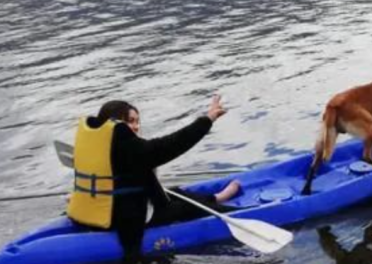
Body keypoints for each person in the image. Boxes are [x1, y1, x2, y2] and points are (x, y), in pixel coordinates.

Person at [67, 94, 241, 255]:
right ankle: (239, 213)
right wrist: (207, 120)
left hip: (102, 212)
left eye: (137, 121)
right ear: (115, 123)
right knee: (185, 207)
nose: (135, 126)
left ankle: (216, 197)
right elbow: (171, 145)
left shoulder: (100, 144)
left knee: (175, 192)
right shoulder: (124, 146)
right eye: (129, 121)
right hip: (124, 222)